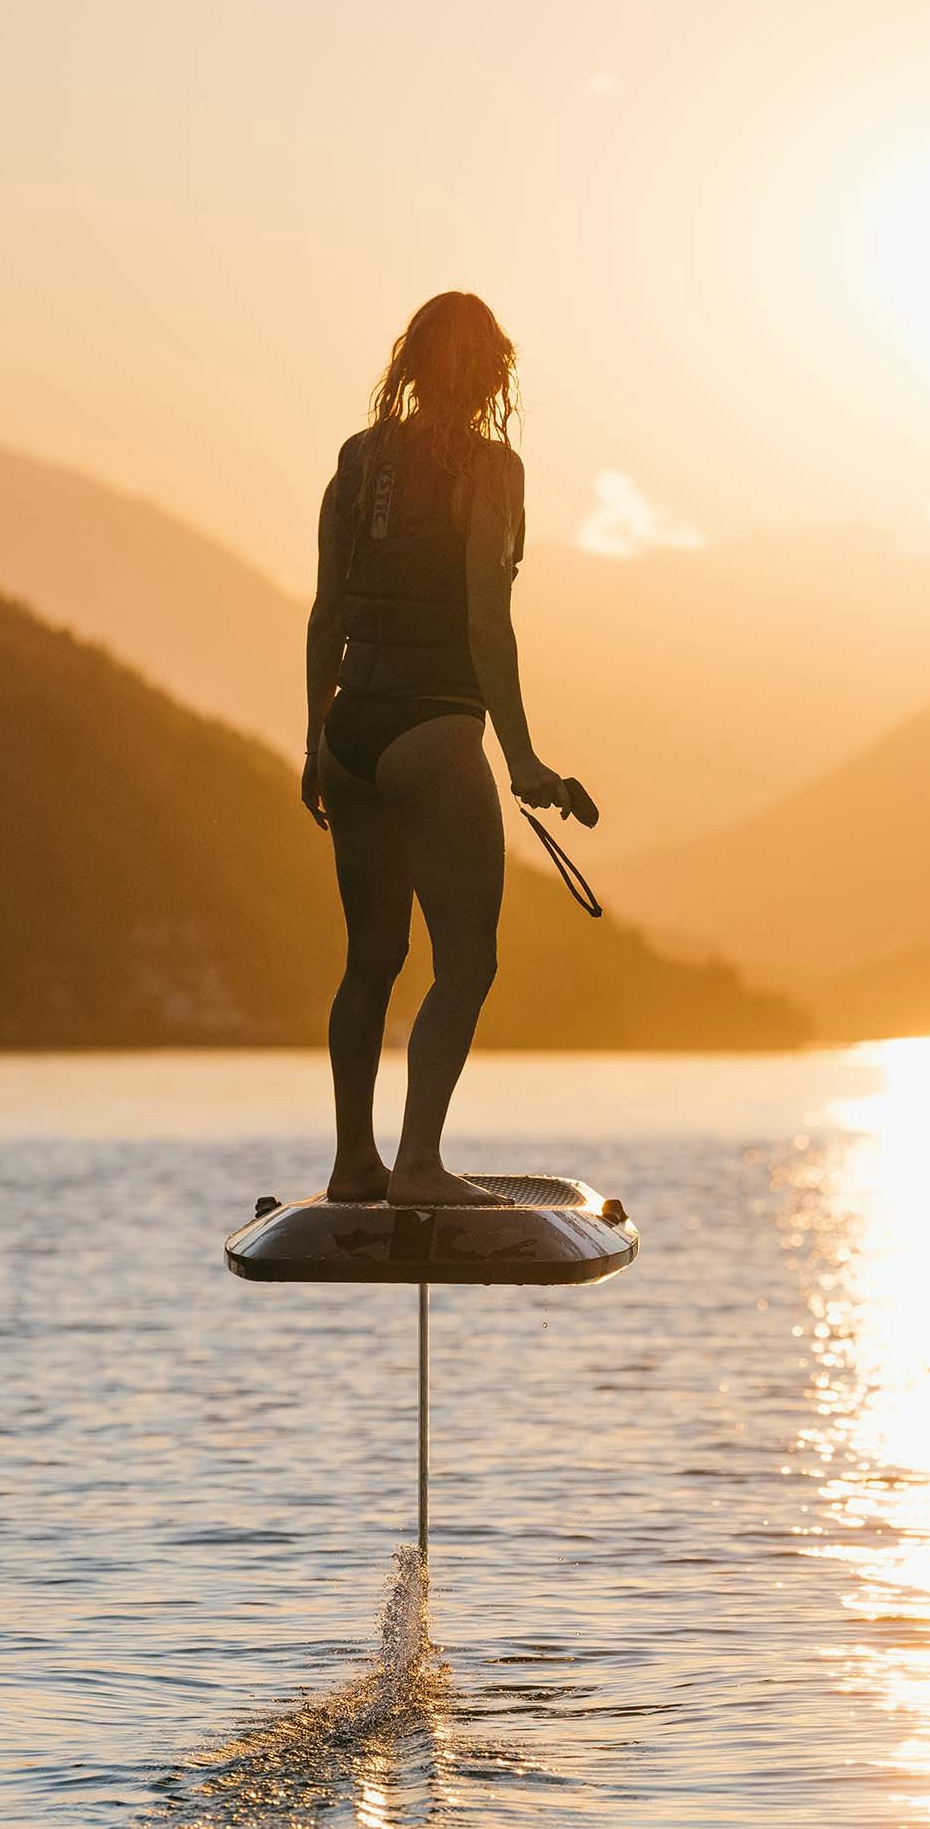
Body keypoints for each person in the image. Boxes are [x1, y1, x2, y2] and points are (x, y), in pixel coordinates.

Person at [301, 292, 572, 1205]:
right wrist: (524, 759)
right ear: (496, 373)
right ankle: (417, 1165)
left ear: (409, 364)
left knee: (370, 961)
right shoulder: (493, 469)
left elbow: (327, 615)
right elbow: (487, 620)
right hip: (433, 730)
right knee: (466, 962)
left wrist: (312, 746)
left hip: (349, 733)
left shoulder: (358, 459)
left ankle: (354, 1165)